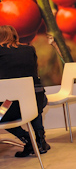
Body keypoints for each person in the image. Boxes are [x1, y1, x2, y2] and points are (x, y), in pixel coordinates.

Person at [0, 25, 50, 157]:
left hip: (9, 105)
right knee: (32, 105)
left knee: (0, 114)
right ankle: (40, 140)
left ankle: (28, 139)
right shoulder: (29, 49)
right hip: (37, 100)